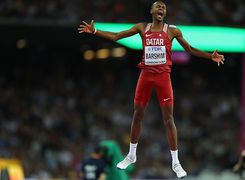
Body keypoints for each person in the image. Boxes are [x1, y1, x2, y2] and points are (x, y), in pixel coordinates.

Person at [78, 0, 225, 178]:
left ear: (165, 13)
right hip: (146, 76)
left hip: (163, 78)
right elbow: (117, 36)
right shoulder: (142, 27)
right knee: (137, 114)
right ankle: (131, 155)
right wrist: (95, 31)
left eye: (163, 7)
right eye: (158, 6)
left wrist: (210, 56)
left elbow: (189, 49)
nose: (161, 9)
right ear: (151, 11)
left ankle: (176, 162)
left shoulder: (172, 31)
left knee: (168, 118)